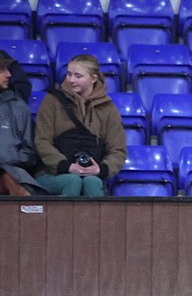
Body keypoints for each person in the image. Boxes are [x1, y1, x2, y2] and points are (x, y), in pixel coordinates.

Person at [34, 53, 127, 197]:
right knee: (72, 181)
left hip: (91, 175)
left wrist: (100, 169)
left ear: (93, 79)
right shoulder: (52, 101)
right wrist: (66, 166)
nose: (71, 80)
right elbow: (42, 141)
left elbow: (117, 150)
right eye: (69, 74)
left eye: (78, 76)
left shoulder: (108, 108)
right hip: (52, 172)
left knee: (93, 182)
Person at [0, 55, 43, 196]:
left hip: (12, 171)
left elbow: (29, 152)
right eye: (1, 70)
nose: (9, 74)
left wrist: (8, 159)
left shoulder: (18, 106)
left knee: (17, 184)